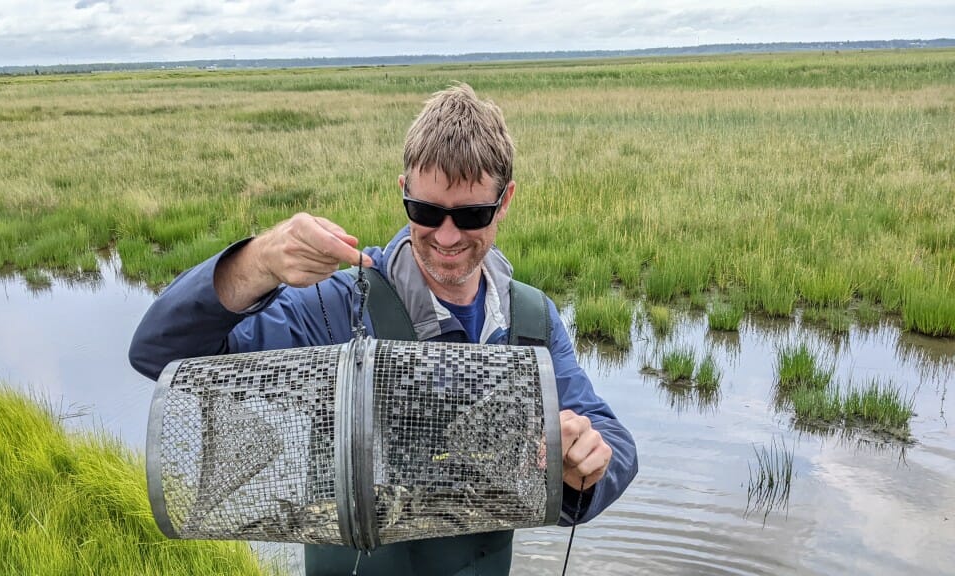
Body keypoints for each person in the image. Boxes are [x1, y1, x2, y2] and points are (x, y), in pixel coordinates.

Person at [130, 82, 637, 576]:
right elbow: (162, 355)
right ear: (403, 193)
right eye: (426, 211)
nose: (446, 236)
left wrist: (584, 464)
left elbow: (611, 441)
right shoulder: (337, 306)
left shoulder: (530, 320)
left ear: (505, 202)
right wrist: (257, 262)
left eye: (471, 215)